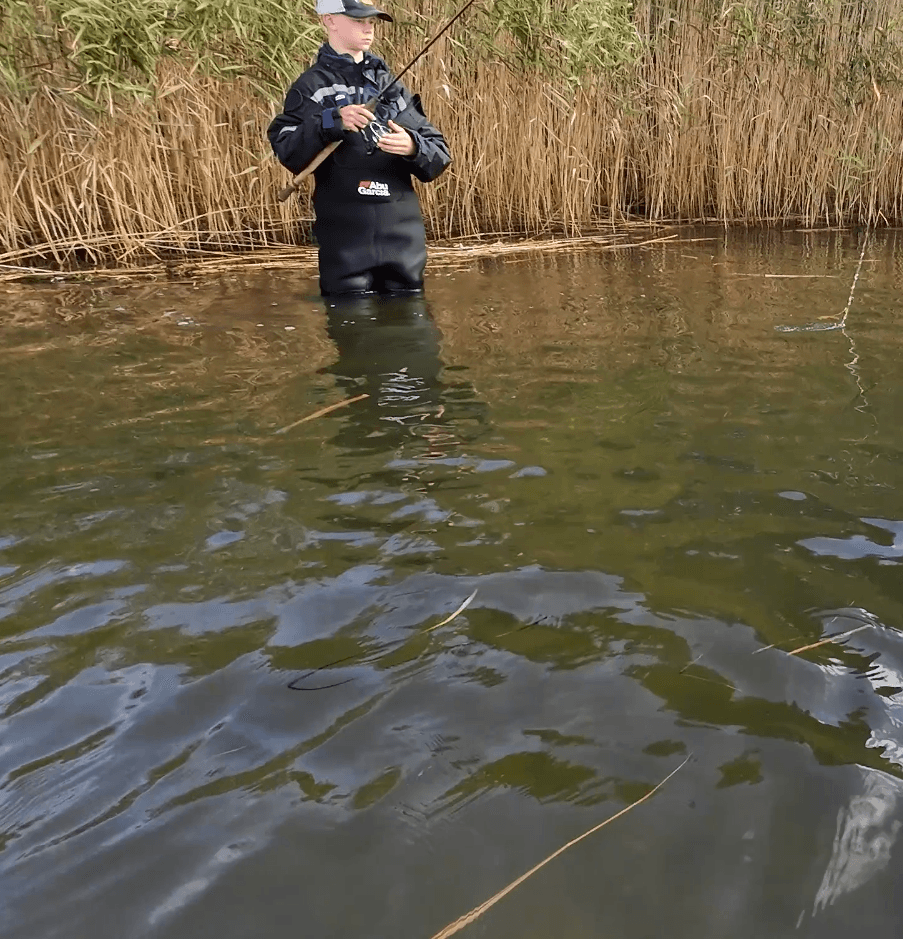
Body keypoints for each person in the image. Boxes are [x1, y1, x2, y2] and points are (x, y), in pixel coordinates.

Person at [267, 0, 451, 298]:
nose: (368, 28)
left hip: (402, 242)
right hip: (345, 242)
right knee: (350, 318)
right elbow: (288, 149)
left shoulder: (391, 87)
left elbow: (439, 155)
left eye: (372, 22)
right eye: (358, 20)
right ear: (329, 20)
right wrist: (331, 121)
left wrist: (412, 146)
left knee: (411, 323)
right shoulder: (311, 86)